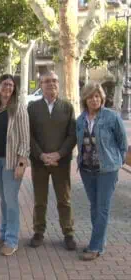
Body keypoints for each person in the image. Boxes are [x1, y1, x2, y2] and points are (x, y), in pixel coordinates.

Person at [76, 82, 127, 261]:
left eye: (97, 96)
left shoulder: (111, 117)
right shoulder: (81, 120)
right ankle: (99, 240)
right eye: (90, 96)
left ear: (102, 98)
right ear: (85, 99)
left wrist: (117, 162)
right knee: (94, 206)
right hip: (87, 169)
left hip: (107, 170)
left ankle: (95, 246)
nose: (94, 99)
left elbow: (122, 143)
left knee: (102, 208)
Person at [28, 71, 77, 250]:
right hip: (39, 162)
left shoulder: (67, 107)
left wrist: (59, 154)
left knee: (64, 200)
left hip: (61, 163)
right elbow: (29, 135)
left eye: (54, 80)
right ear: (40, 85)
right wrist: (41, 155)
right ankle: (38, 232)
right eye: (46, 81)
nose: (51, 84)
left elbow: (73, 135)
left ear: (59, 83)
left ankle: (68, 233)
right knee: (40, 200)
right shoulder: (32, 108)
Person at [0, 74, 30, 256]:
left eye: (11, 85)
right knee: (4, 199)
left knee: (11, 201)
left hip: (11, 162)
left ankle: (12, 240)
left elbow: (25, 139)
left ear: (14, 89)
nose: (8, 88)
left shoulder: (18, 109)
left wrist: (21, 162)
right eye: (5, 84)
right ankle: (3, 235)